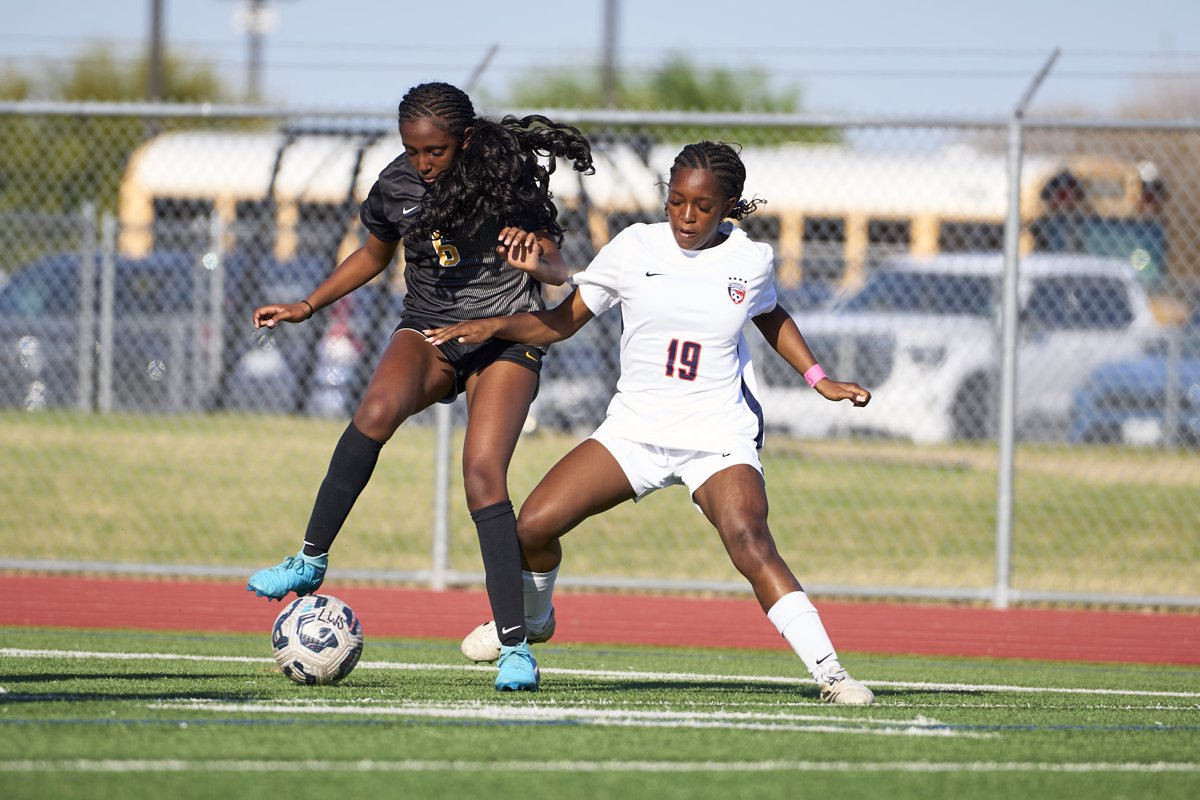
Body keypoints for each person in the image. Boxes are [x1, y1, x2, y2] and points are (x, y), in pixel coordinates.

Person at [426, 141, 876, 704]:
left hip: (716, 435)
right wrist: (496, 326)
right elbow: (561, 322)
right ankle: (537, 620)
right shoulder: (634, 246)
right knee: (532, 527)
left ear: (728, 205)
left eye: (704, 206)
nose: (687, 217)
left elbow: (771, 315)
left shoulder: (751, 261)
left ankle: (832, 675)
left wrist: (819, 378)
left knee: (749, 540)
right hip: (634, 431)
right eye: (677, 202)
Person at [245, 82, 594, 693]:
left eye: (434, 151)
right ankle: (309, 559)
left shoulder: (504, 178)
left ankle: (515, 647)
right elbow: (374, 253)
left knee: (483, 473)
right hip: (431, 329)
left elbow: (555, 264)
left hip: (505, 335)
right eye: (412, 150)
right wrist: (307, 304)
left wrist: (536, 258)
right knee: (375, 410)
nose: (423, 163)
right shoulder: (397, 184)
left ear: (463, 139)